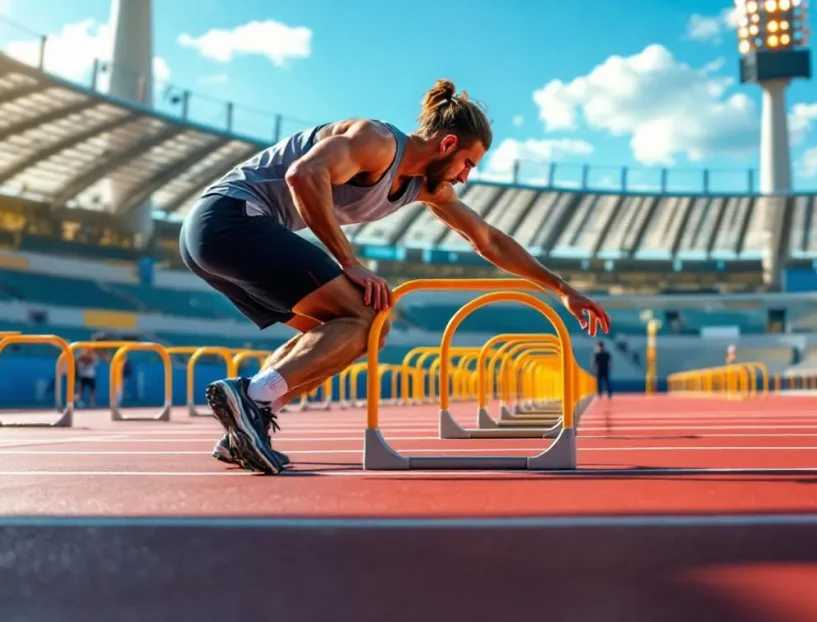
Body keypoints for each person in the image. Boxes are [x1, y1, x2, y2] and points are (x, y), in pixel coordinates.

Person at [179, 79, 612, 474]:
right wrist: (349, 261)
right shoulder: (377, 141)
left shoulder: (424, 187)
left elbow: (489, 240)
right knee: (368, 316)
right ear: (446, 143)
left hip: (217, 239)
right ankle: (250, 398)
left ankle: (249, 419)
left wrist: (562, 289)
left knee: (361, 332)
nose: (465, 177)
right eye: (468, 164)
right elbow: (304, 174)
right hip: (230, 219)